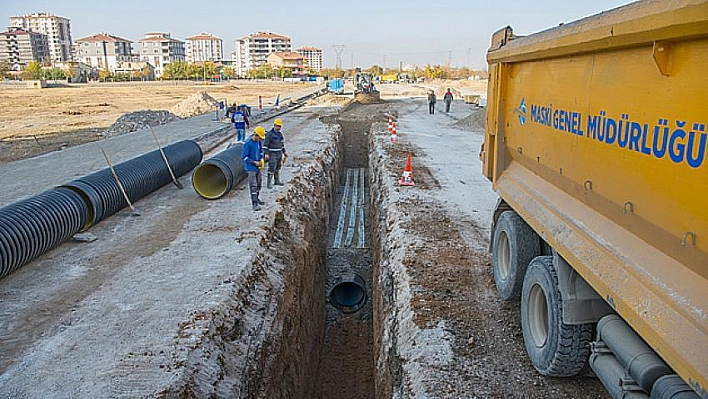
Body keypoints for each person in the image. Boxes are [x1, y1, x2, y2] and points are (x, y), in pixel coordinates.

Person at [242, 126, 266, 211]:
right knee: (253, 185)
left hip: (257, 167)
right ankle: (254, 203)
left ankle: (257, 198)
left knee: (259, 183)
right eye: (260, 137)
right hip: (251, 168)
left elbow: (260, 152)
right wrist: (254, 162)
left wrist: (261, 159)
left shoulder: (258, 143)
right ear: (256, 135)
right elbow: (244, 157)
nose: (260, 139)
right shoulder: (248, 144)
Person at [264, 118, 287, 189]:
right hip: (272, 153)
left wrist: (284, 152)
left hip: (279, 153)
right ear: (274, 125)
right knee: (272, 167)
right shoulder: (269, 134)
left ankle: (277, 181)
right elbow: (265, 145)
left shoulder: (280, 134)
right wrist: (266, 154)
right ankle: (269, 184)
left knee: (278, 167)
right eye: (277, 126)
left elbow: (282, 144)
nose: (278, 128)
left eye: (279, 126)